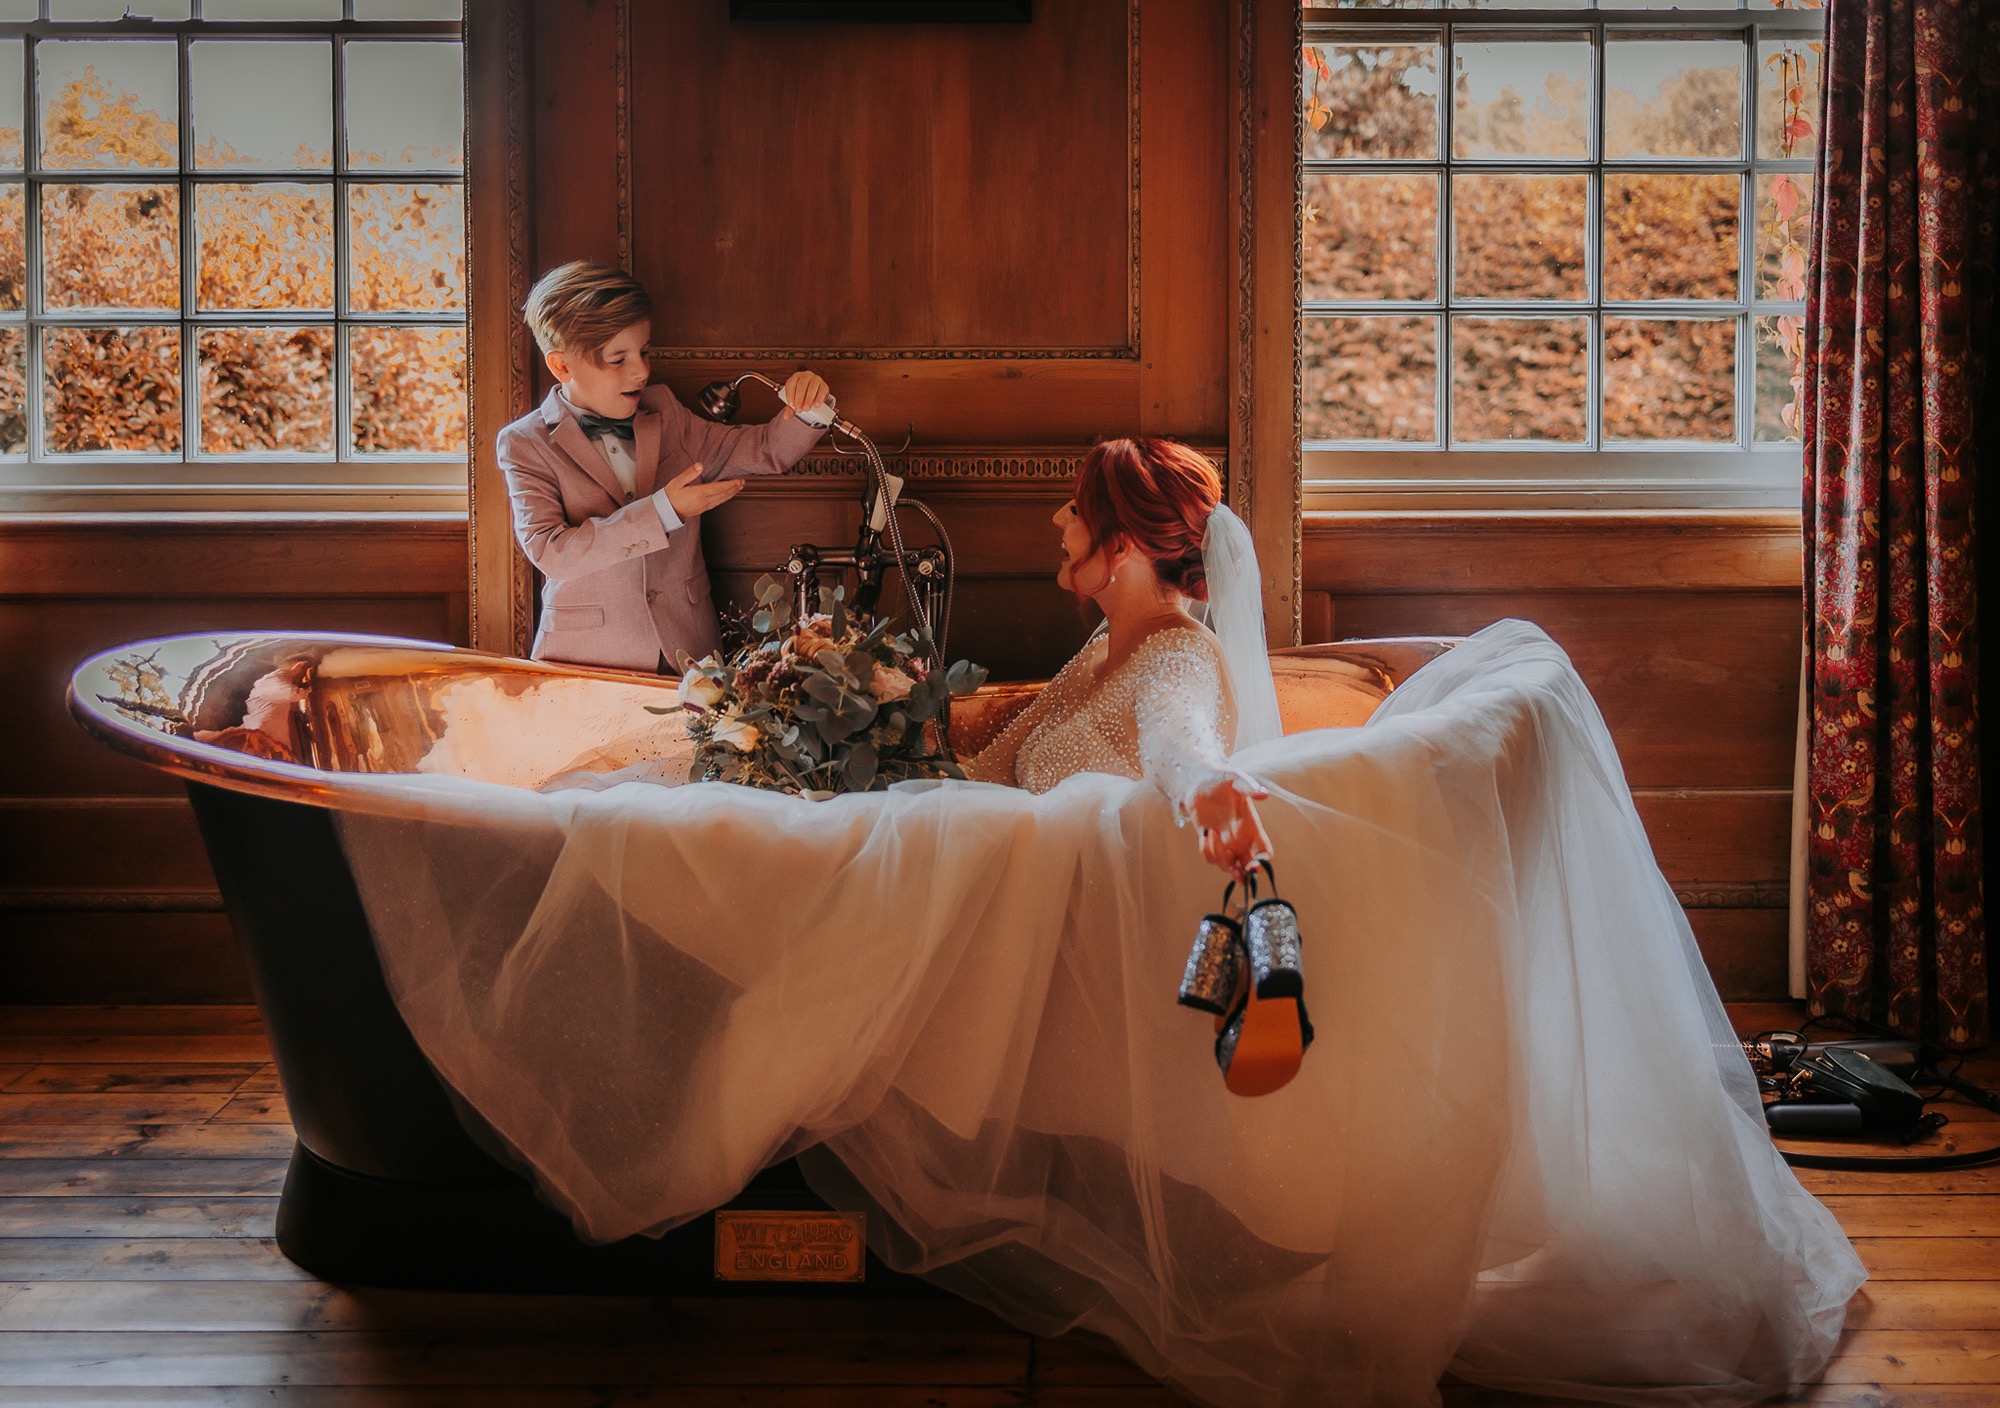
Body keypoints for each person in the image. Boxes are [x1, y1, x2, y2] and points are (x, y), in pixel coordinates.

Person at [334, 436, 1868, 1407]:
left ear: (1135, 550)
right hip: (959, 858)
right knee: (673, 809)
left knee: (671, 846)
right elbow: (991, 754)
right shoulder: (1096, 649)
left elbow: (1197, 756)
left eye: (1077, 529)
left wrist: (1210, 808)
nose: (1059, 547)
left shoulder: (1175, 664)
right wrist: (856, 723)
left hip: (996, 896)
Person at [498, 261, 836, 671]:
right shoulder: (524, 442)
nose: (641, 371)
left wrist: (808, 408)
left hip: (689, 654)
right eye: (618, 359)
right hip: (585, 663)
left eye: (643, 352)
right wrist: (664, 511)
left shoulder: (666, 413)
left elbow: (765, 450)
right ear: (562, 366)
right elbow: (552, 552)